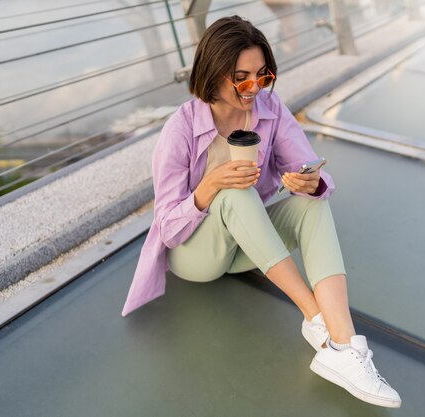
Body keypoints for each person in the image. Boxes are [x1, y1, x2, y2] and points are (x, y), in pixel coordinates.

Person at [122, 15, 401, 408]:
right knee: (236, 194)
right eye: (242, 78)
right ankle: (315, 321)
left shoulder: (270, 109)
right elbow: (168, 229)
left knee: (312, 205)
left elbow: (312, 168)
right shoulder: (179, 130)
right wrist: (211, 184)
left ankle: (345, 347)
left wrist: (311, 182)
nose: (254, 88)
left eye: (262, 76)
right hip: (194, 257)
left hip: (246, 248)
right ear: (214, 72)